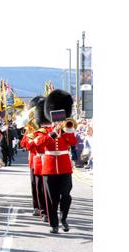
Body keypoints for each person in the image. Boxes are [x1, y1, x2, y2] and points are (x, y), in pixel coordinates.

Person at [34, 89, 77, 233]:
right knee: (52, 198)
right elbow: (39, 144)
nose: (59, 120)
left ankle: (63, 218)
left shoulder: (67, 129)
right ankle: (54, 224)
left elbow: (73, 142)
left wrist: (65, 131)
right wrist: (52, 133)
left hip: (65, 167)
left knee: (66, 195)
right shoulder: (45, 131)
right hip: (49, 168)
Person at [20, 96, 45, 217]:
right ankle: (37, 206)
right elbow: (23, 143)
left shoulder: (48, 127)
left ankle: (47, 207)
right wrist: (31, 137)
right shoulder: (30, 128)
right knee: (35, 184)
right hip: (34, 159)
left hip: (48, 159)